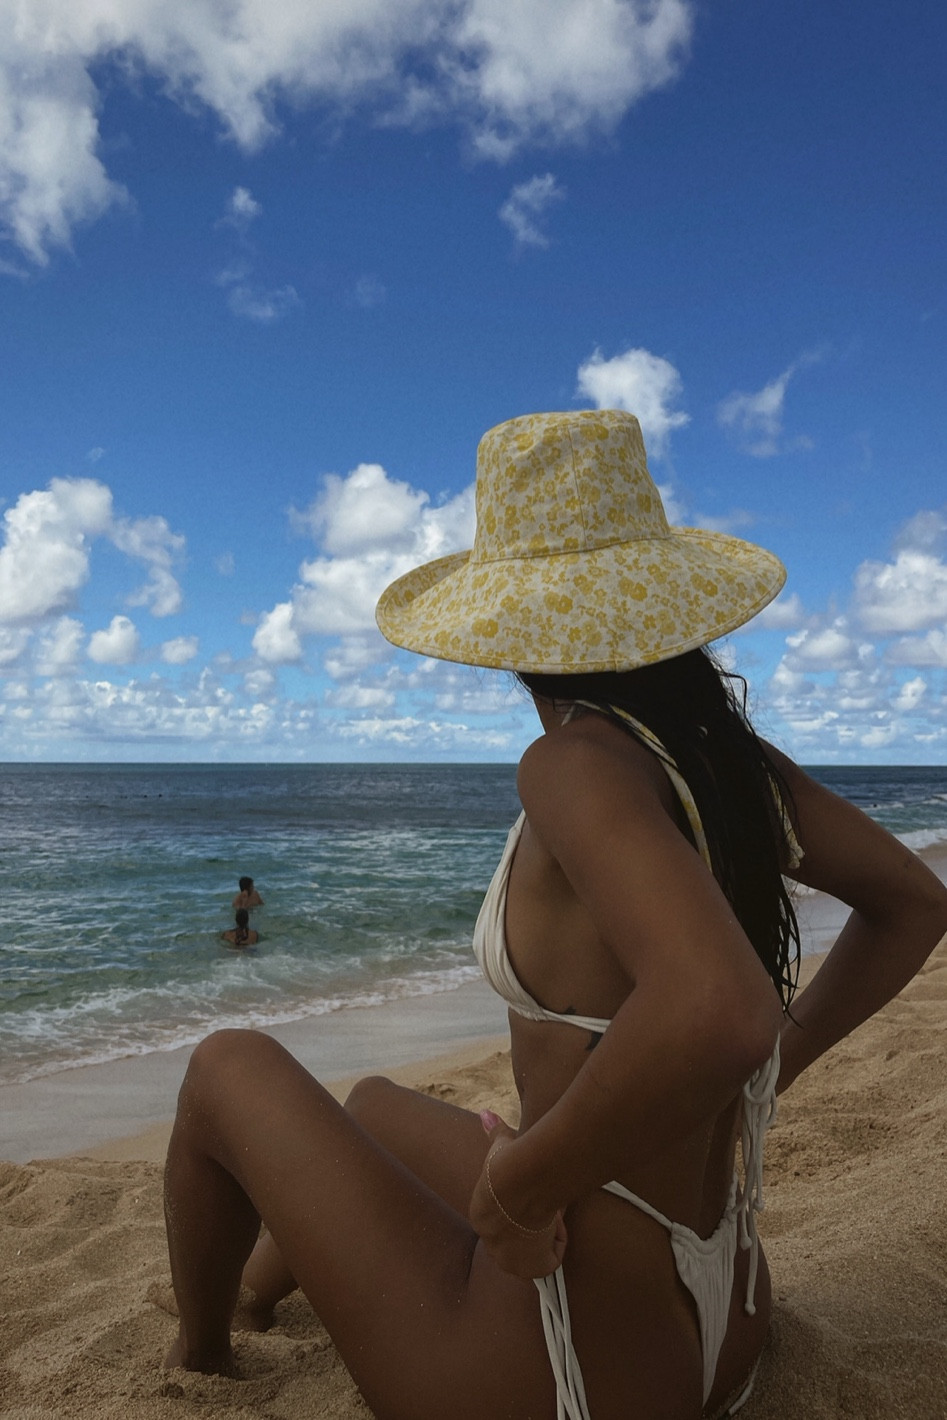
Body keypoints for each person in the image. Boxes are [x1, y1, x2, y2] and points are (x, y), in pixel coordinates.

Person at [161, 410, 947, 1419]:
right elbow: (912, 902)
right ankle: (259, 1297)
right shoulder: (720, 762)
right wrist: (768, 1070)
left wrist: (520, 1185)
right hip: (723, 1327)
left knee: (225, 1063)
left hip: (567, 1369)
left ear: (510, 626)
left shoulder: (571, 763)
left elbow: (715, 1008)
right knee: (374, 1110)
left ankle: (200, 1355)